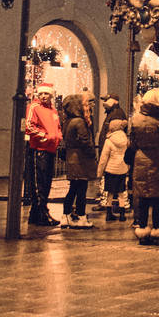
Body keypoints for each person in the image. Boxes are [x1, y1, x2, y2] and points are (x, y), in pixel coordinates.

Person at [130, 87, 159, 245]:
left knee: (143, 197)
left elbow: (132, 142)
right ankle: (156, 231)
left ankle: (142, 231)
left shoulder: (135, 119)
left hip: (141, 159)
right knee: (157, 199)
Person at [24, 84, 61, 226]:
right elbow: (29, 126)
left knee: (46, 182)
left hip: (49, 149)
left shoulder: (53, 110)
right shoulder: (34, 107)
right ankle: (41, 212)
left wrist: (57, 136)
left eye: (46, 93)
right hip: (39, 149)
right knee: (39, 182)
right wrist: (44, 136)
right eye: (42, 94)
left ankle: (36, 214)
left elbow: (56, 127)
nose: (44, 96)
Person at [60, 93, 96, 228]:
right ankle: (81, 216)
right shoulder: (79, 122)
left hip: (72, 157)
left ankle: (66, 215)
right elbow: (85, 140)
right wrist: (92, 153)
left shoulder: (68, 121)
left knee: (74, 188)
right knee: (81, 189)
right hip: (80, 159)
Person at [97, 118, 130, 222]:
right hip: (122, 170)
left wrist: (99, 172)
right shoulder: (125, 140)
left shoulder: (108, 141)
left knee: (110, 193)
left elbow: (103, 158)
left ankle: (108, 214)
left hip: (110, 170)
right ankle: (122, 215)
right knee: (121, 193)